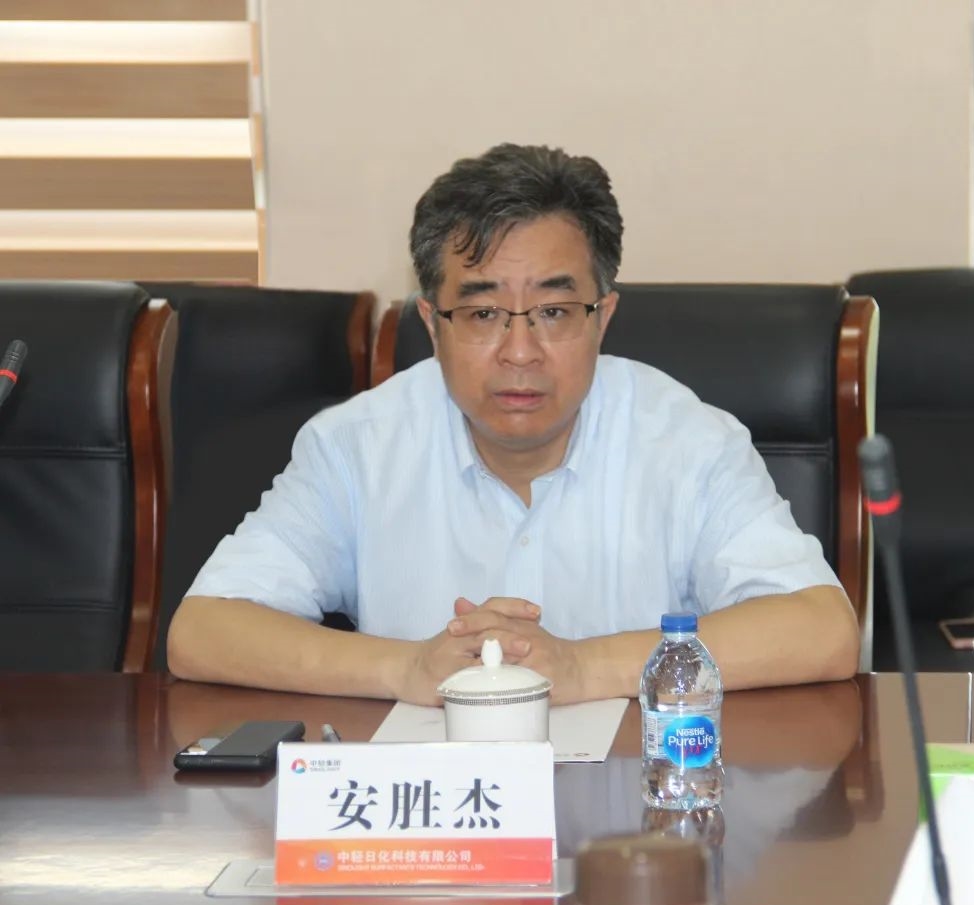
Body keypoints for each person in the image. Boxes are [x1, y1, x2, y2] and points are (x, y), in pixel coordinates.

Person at [168, 143, 858, 705]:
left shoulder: (688, 442)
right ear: (432, 325)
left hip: (631, 815)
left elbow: (822, 630)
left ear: (603, 319)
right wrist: (407, 669)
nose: (520, 352)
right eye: (481, 313)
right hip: (434, 819)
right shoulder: (357, 447)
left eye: (554, 312)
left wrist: (583, 668)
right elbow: (203, 630)